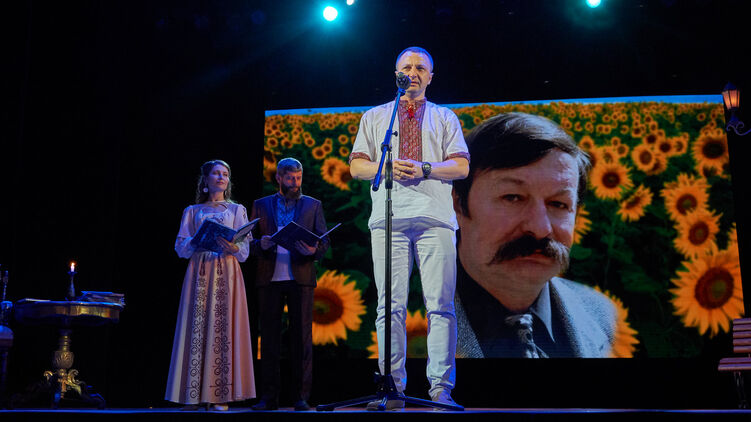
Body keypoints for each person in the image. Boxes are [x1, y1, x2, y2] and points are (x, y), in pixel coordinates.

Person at [349, 46, 469, 409]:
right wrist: (386, 167)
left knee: (440, 306)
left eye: (420, 68)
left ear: (430, 76)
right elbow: (357, 166)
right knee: (389, 306)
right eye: (407, 67)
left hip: (435, 218)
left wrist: (425, 168)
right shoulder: (376, 117)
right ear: (396, 74)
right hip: (389, 220)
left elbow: (461, 166)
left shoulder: (445, 117)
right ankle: (392, 387)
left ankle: (441, 389)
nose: (413, 72)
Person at [452, 112, 618, 358]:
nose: (540, 229)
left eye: (558, 204)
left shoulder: (603, 315)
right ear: (457, 205)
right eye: (512, 197)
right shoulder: (403, 327)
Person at [166, 159, 255, 411]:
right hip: (200, 271)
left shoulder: (236, 210)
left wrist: (233, 247)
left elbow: (245, 250)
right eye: (216, 173)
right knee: (197, 326)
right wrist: (196, 240)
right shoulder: (192, 211)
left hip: (227, 270)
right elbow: (181, 248)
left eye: (225, 174)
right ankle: (193, 394)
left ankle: (220, 394)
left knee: (223, 327)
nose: (221, 177)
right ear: (205, 180)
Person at [249, 157, 330, 411]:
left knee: (302, 340)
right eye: (290, 178)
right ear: (278, 178)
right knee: (269, 340)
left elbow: (324, 241)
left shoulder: (313, 205)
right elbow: (248, 242)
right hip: (269, 277)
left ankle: (301, 397)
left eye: (298, 178)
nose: (295, 183)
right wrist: (259, 244)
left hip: (301, 278)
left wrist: (313, 250)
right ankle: (268, 397)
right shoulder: (261, 205)